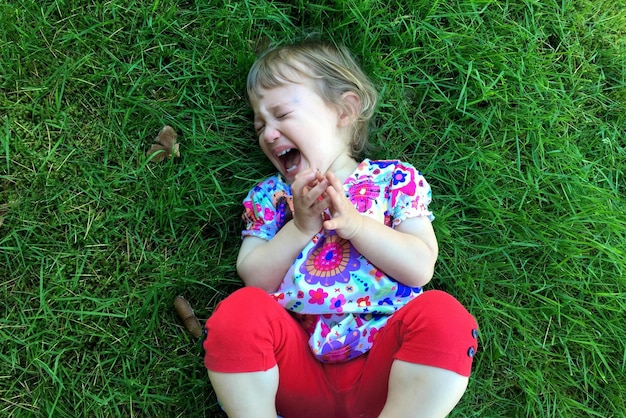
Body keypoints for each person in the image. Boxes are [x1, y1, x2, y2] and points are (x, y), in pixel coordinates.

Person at [202, 40, 478, 418]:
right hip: (296, 369)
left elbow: (419, 267)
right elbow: (255, 279)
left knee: (444, 317)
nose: (268, 133)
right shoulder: (270, 197)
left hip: (386, 374)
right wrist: (300, 227)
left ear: (344, 110)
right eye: (260, 124)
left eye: (282, 114)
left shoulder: (393, 181)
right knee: (239, 313)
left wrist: (357, 226)